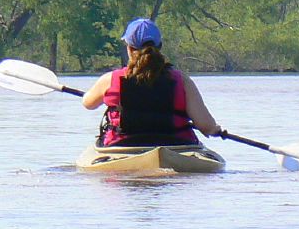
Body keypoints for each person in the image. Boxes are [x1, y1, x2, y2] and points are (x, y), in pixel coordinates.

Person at [81, 18, 222, 148]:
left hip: (122, 145)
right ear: (159, 46)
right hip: (176, 144)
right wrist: (214, 129)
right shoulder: (182, 80)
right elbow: (206, 126)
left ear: (129, 48)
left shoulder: (110, 79)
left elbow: (88, 103)